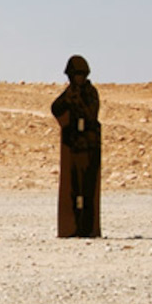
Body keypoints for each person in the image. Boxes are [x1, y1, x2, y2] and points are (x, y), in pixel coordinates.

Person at [51, 55, 101, 238]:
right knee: (72, 189)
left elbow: (91, 114)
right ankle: (71, 227)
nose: (77, 78)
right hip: (72, 146)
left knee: (88, 189)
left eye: (80, 75)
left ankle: (87, 227)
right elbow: (56, 108)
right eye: (74, 75)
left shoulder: (90, 92)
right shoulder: (70, 93)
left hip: (88, 146)